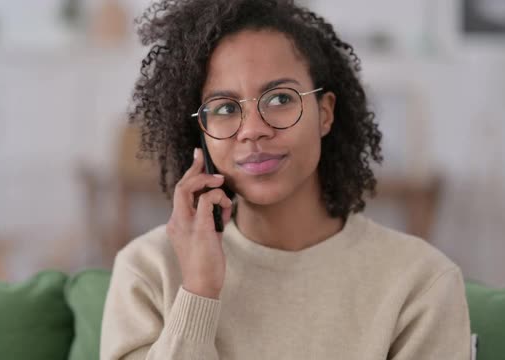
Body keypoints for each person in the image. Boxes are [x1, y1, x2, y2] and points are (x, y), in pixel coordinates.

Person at [100, 0, 471, 359]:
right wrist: (199, 290)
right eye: (226, 108)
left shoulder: (421, 282)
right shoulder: (148, 271)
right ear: (201, 131)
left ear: (324, 114)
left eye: (279, 99)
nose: (253, 131)